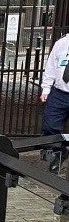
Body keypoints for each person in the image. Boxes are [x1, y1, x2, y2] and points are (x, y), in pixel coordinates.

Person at [39, 32, 69, 172]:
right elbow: (51, 66)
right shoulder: (61, 43)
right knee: (50, 125)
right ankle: (59, 153)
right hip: (59, 92)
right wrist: (46, 88)